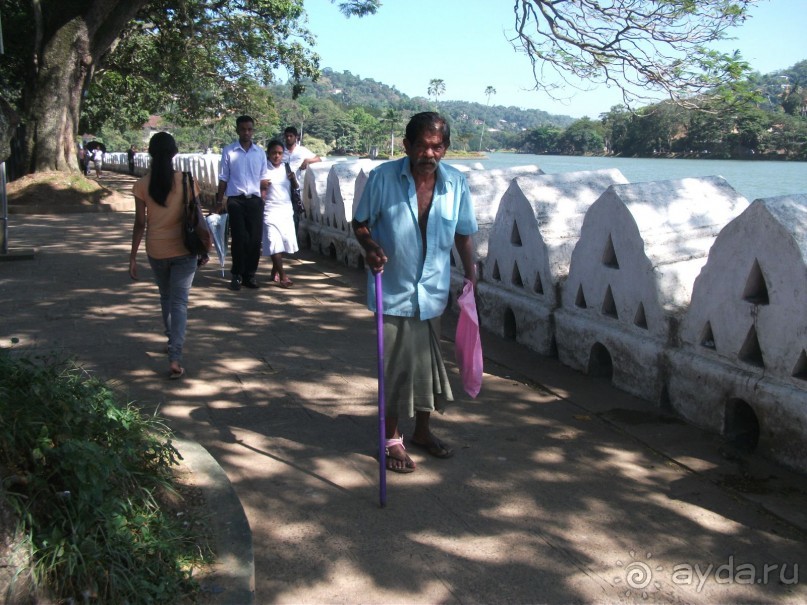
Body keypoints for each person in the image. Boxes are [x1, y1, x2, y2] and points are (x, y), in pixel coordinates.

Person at [352, 112, 478, 474]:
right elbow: (359, 223)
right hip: (392, 289)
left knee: (428, 368)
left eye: (437, 146)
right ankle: (391, 438)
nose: (429, 153)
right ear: (406, 146)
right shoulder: (382, 178)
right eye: (421, 145)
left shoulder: (456, 184)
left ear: (446, 148)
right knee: (393, 369)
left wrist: (471, 275)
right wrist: (370, 246)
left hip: (432, 292)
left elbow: (464, 233)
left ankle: (423, 431)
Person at [129, 132, 200, 380]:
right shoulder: (187, 181)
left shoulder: (141, 186)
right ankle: (175, 356)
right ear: (174, 153)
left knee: (166, 296)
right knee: (179, 303)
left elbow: (140, 223)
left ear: (150, 153)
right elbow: (196, 219)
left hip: (156, 249)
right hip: (184, 249)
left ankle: (172, 342)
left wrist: (132, 256)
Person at [215, 115, 270, 291]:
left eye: (250, 129)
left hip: (254, 201)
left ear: (253, 131)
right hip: (235, 200)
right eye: (243, 129)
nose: (247, 132)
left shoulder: (260, 152)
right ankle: (237, 274)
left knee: (254, 240)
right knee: (239, 239)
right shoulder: (229, 151)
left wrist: (262, 199)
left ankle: (250, 275)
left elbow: (263, 178)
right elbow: (223, 178)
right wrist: (219, 201)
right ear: (237, 130)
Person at [262, 139, 299, 287]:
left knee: (283, 242)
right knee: (273, 241)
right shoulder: (263, 169)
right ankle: (283, 276)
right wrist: (262, 185)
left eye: (279, 153)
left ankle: (275, 269)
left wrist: (294, 179)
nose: (276, 156)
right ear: (268, 154)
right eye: (273, 153)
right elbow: (259, 190)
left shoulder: (287, 168)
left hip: (285, 210)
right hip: (269, 210)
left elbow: (296, 188)